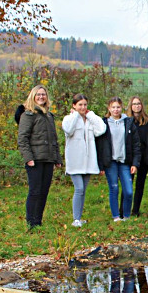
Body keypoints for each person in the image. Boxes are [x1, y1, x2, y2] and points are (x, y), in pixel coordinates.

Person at [17, 85, 62, 229]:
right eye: (38, 94)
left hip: (48, 159)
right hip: (34, 160)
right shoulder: (28, 115)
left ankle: (38, 220)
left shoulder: (49, 116)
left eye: (43, 94)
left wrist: (57, 159)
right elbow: (22, 139)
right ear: (33, 96)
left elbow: (54, 139)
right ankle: (31, 222)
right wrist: (28, 158)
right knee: (35, 191)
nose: (41, 97)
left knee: (44, 191)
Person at [61, 94, 106, 227]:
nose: (83, 107)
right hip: (75, 161)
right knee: (79, 189)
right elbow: (68, 130)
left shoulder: (90, 119)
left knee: (83, 190)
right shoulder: (69, 118)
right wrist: (75, 115)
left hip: (88, 161)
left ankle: (79, 218)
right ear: (74, 105)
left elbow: (101, 129)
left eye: (85, 104)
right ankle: (75, 219)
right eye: (80, 104)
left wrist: (91, 115)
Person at [96, 97, 141, 221]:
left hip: (125, 162)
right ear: (109, 108)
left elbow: (136, 145)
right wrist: (101, 166)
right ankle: (116, 216)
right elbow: (99, 146)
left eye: (118, 107)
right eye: (113, 107)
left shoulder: (128, 122)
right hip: (110, 162)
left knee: (128, 191)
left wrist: (135, 163)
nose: (116, 110)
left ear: (122, 108)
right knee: (114, 188)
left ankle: (126, 216)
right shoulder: (103, 123)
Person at [127, 96, 148, 216]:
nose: (136, 106)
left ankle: (135, 210)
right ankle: (124, 209)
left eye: (138, 104)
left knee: (140, 185)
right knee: (128, 184)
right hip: (130, 158)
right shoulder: (126, 121)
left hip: (144, 157)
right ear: (130, 106)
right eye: (134, 104)